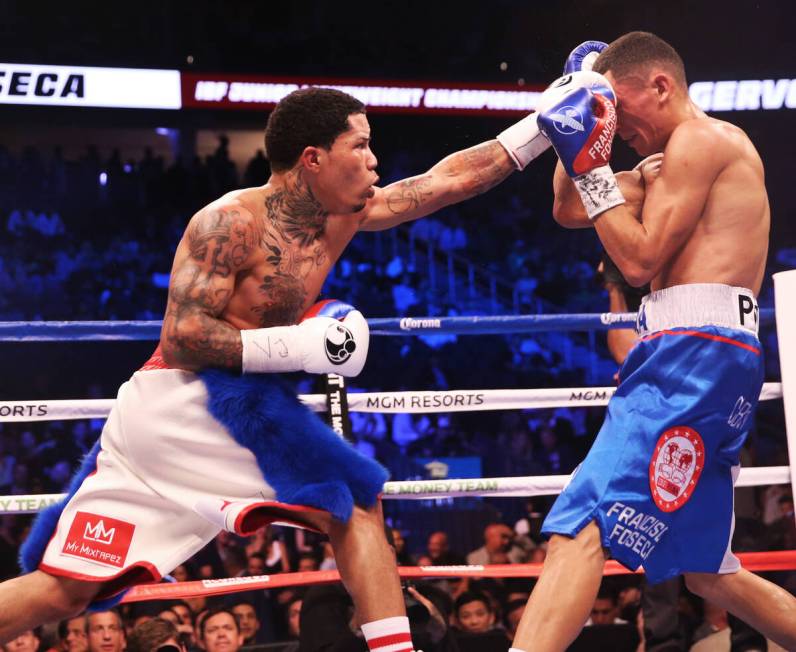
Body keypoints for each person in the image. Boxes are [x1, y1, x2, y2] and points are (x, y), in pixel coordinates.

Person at [0, 86, 551, 650]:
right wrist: (298, 349)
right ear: (313, 158)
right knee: (354, 498)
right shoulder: (230, 222)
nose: (373, 161)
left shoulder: (346, 214)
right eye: (359, 146)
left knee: (67, 588)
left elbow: (449, 179)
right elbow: (184, 334)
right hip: (193, 400)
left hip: (167, 419)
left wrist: (542, 126)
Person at [510, 33, 796, 652]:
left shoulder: (703, 139)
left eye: (618, 105)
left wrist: (593, 168)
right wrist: (580, 120)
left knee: (582, 523)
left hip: (693, 352)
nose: (620, 127)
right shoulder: (661, 168)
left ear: (660, 86)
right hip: (699, 354)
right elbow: (568, 208)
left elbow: (636, 262)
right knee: (709, 572)